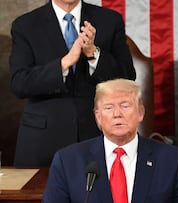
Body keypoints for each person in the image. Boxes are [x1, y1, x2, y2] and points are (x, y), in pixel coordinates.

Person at [9, 0, 136, 166]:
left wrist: (94, 54)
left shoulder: (109, 20)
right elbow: (20, 83)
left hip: (96, 135)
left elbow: (126, 76)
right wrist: (64, 64)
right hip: (43, 141)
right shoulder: (25, 25)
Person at [43, 79, 178, 203]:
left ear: (140, 113)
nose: (117, 114)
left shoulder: (171, 160)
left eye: (125, 105)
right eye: (109, 108)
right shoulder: (68, 161)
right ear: (98, 117)